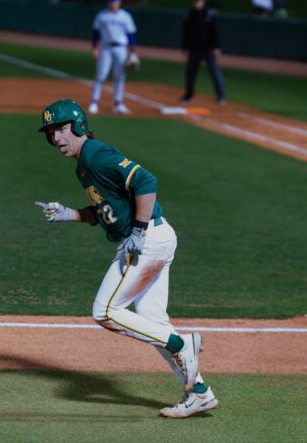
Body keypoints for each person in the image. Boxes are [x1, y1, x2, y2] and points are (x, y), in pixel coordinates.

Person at [36, 99, 219, 419]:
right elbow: (107, 212)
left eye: (62, 129)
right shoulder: (84, 164)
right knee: (151, 318)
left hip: (146, 241)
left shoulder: (95, 155)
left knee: (105, 311)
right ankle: (199, 393)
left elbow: (146, 181)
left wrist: (138, 232)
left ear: (78, 126)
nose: (57, 138)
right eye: (51, 133)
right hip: (157, 238)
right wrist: (68, 214)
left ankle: (181, 345)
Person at [88, 0, 138, 115]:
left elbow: (131, 34)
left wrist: (133, 51)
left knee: (120, 76)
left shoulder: (126, 16)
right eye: (111, 1)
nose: (113, 4)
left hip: (121, 49)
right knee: (101, 75)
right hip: (106, 48)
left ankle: (118, 104)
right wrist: (94, 48)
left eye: (115, 1)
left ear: (119, 2)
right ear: (108, 2)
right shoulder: (102, 15)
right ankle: (94, 102)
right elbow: (95, 33)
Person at [180, 0, 226, 105]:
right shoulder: (189, 15)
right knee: (190, 74)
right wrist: (185, 47)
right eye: (195, 1)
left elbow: (215, 32)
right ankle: (188, 96)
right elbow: (186, 33)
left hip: (208, 49)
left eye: (199, 1)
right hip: (194, 49)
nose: (196, 3)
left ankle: (220, 96)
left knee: (215, 73)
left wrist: (217, 47)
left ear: (203, 2)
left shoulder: (208, 15)